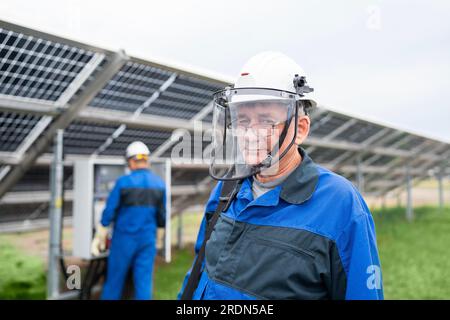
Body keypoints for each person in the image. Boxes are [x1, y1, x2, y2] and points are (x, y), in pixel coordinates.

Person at [178, 51, 383, 300]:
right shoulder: (224, 192)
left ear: (300, 129)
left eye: (265, 121)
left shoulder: (339, 203)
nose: (249, 134)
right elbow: (198, 275)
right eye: (242, 121)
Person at [91, 141, 166, 300]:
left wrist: (99, 236)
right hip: (147, 240)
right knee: (144, 284)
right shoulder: (159, 184)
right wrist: (159, 238)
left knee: (114, 283)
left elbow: (109, 211)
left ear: (131, 161)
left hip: (124, 240)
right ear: (146, 160)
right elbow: (162, 215)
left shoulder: (123, 182)